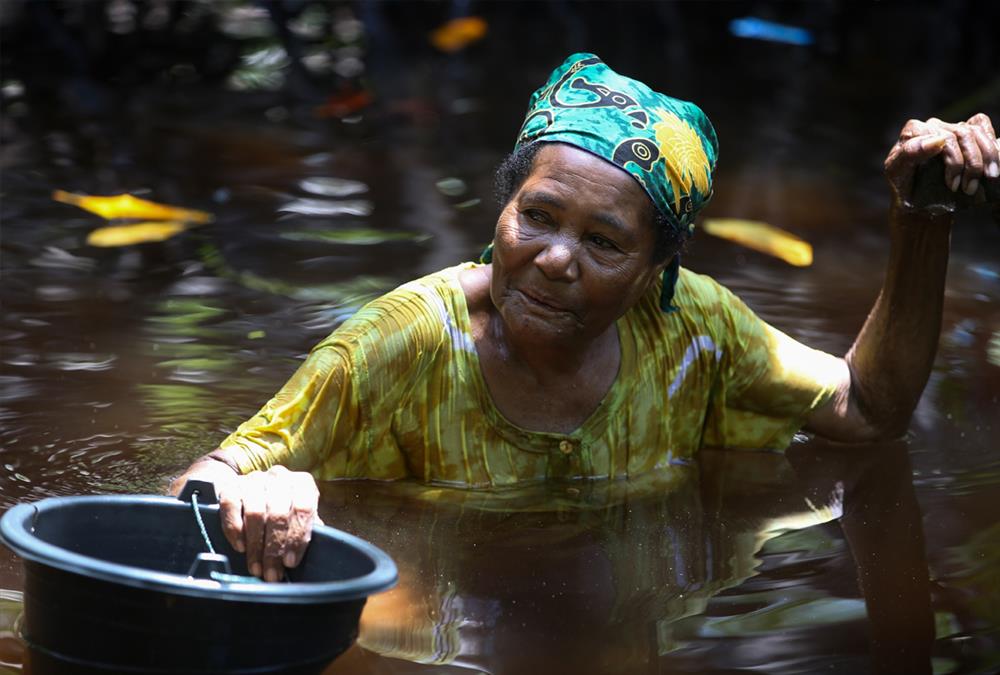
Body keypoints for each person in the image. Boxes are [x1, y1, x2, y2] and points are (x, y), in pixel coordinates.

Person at [170, 53, 999, 583]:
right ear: (503, 213)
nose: (555, 257)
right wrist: (253, 495)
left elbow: (868, 410)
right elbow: (196, 483)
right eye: (537, 217)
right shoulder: (409, 340)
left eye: (603, 241)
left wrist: (919, 224)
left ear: (652, 276)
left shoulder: (693, 332)